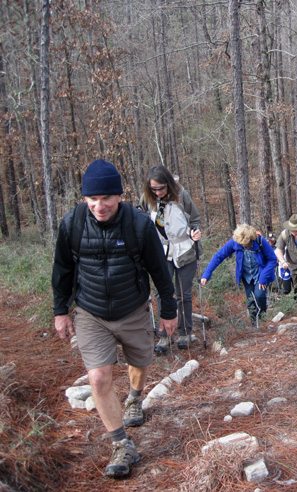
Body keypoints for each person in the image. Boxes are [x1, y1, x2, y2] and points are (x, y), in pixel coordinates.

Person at [52, 159, 177, 478]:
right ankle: (122, 444)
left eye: (105, 198)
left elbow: (159, 271)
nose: (99, 205)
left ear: (119, 196)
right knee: (98, 378)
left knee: (140, 361)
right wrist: (60, 311)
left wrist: (169, 310)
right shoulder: (73, 224)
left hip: (133, 308)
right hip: (91, 312)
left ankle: (135, 396)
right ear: (84, 198)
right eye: (92, 199)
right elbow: (63, 270)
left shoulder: (138, 225)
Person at [140, 165, 202, 353]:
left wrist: (195, 231)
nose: (158, 192)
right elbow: (140, 219)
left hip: (185, 250)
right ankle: (165, 335)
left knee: (183, 293)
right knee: (163, 293)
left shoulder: (182, 195)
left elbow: (195, 219)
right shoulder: (147, 199)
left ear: (168, 184)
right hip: (160, 252)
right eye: (154, 189)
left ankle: (185, 332)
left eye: (161, 188)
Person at [200, 224, 277, 328]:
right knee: (250, 301)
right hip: (246, 276)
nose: (244, 246)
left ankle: (262, 320)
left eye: (246, 244)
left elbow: (272, 259)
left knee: (259, 296)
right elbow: (219, 256)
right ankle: (255, 326)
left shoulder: (260, 241)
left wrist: (263, 278)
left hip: (260, 274)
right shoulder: (234, 242)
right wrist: (206, 274)